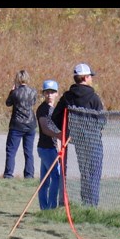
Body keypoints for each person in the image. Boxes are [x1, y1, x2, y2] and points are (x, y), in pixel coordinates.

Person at [49, 63, 105, 206]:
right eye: (90, 76)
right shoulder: (93, 97)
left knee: (85, 173)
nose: (91, 78)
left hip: (78, 140)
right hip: (93, 141)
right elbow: (102, 120)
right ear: (85, 77)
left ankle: (86, 203)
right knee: (94, 174)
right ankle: (92, 205)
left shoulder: (68, 97)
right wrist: (94, 129)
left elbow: (55, 116)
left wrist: (67, 130)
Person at [3, 70, 37, 179]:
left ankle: (8, 174)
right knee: (28, 151)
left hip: (16, 125)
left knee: (11, 151)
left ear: (17, 79)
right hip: (30, 124)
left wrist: (11, 92)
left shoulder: (15, 92)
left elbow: (8, 103)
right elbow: (33, 102)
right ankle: (29, 174)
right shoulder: (33, 92)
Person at [36, 80, 62, 210]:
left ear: (57, 93)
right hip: (46, 148)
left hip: (51, 148)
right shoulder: (43, 110)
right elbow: (45, 128)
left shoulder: (53, 109)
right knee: (55, 178)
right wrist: (59, 136)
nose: (49, 95)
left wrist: (59, 145)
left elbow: (56, 128)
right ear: (43, 94)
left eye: (52, 92)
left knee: (45, 181)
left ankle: (44, 208)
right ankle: (51, 207)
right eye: (47, 92)